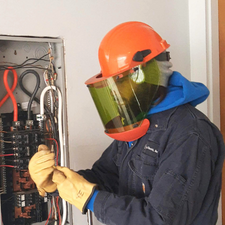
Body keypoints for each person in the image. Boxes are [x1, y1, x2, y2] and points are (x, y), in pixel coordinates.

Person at [28, 21, 225, 225]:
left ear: (147, 75)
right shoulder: (140, 123)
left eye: (121, 83)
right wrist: (58, 181)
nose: (117, 97)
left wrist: (91, 198)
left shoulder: (190, 133)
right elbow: (105, 176)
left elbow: (160, 220)